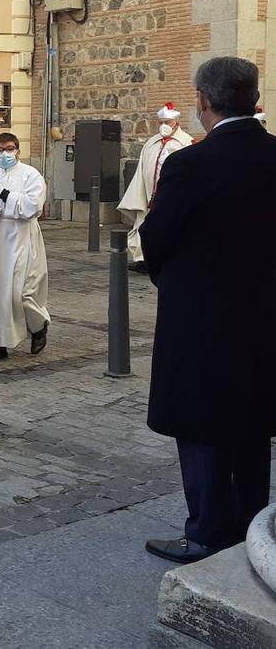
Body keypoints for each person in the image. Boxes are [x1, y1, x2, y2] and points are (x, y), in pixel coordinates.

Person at [141, 58, 276, 564]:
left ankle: (204, 532)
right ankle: (251, 527)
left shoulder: (191, 163)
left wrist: (175, 282)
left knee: (200, 425)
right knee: (253, 420)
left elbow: (157, 235)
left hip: (200, 318)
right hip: (264, 315)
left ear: (202, 101)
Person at [0, 133, 50, 361]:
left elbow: (34, 205)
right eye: (1, 150)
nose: (5, 154)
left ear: (18, 151)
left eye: (10, 149)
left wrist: (5, 195)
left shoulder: (31, 175)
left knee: (19, 292)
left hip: (19, 238)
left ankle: (38, 326)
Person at [117, 103, 193, 274]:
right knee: (144, 225)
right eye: (161, 122)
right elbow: (142, 168)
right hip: (149, 193)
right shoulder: (151, 143)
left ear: (176, 122)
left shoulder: (186, 143)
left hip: (171, 197)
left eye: (167, 122)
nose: (164, 125)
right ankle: (143, 259)